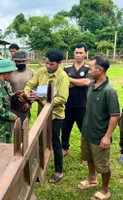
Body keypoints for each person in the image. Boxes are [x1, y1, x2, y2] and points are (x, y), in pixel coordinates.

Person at [23, 49, 69, 183]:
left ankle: (59, 171)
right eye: (46, 63)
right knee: (40, 141)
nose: (48, 66)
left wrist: (42, 100)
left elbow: (62, 98)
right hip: (42, 115)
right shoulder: (41, 72)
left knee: (55, 142)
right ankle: (39, 169)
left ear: (59, 63)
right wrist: (27, 93)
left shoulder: (63, 77)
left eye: (51, 64)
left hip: (55, 115)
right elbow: (30, 84)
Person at [78, 56, 120, 200]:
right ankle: (91, 179)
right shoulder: (92, 85)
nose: (88, 70)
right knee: (89, 157)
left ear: (99, 70)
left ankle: (104, 190)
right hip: (87, 131)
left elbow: (115, 115)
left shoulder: (109, 91)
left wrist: (107, 136)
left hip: (100, 135)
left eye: (90, 68)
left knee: (102, 165)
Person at [61, 43, 91, 157]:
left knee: (85, 131)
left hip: (83, 105)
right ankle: (64, 148)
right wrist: (79, 81)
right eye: (76, 52)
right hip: (68, 105)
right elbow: (65, 85)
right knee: (65, 128)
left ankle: (86, 153)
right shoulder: (67, 68)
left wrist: (70, 79)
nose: (78, 55)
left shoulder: (89, 69)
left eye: (80, 53)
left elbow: (87, 82)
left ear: (85, 54)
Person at [10, 51, 35, 125]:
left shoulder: (31, 72)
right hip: (12, 106)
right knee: (13, 129)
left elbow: (35, 89)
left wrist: (29, 103)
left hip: (25, 106)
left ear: (26, 61)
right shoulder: (10, 73)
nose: (21, 63)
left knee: (24, 130)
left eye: (23, 61)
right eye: (18, 61)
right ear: (15, 61)